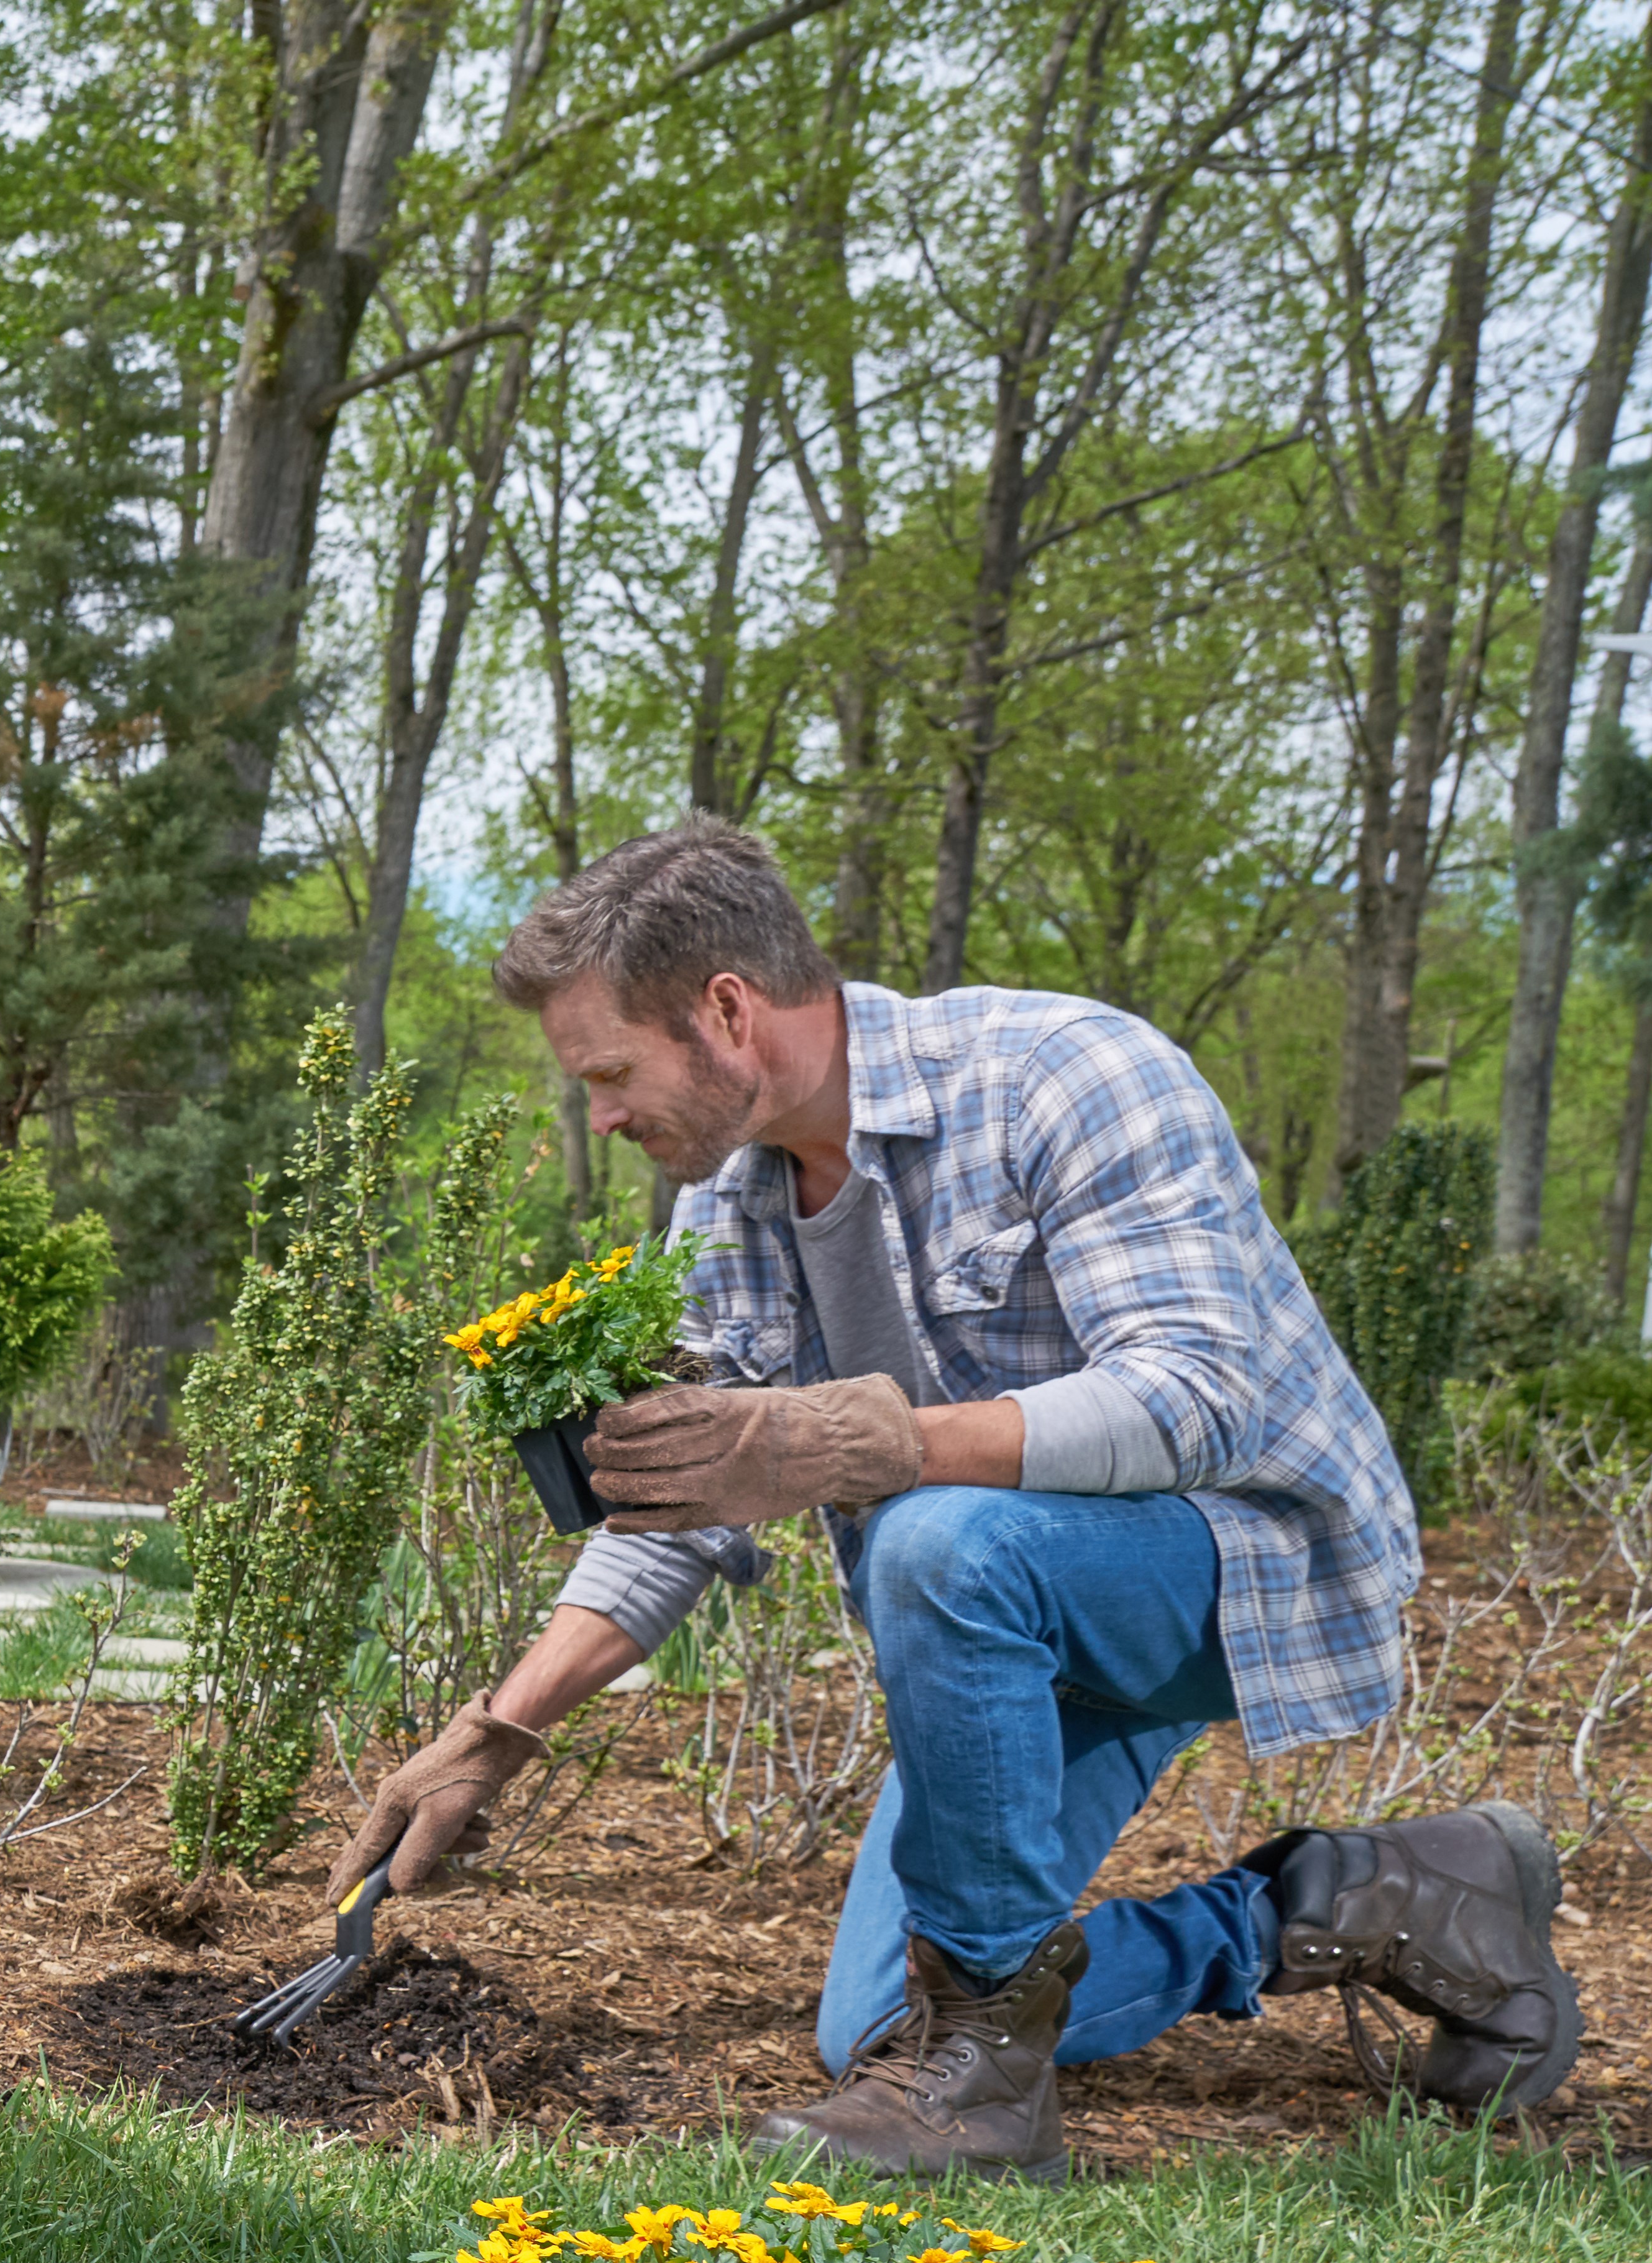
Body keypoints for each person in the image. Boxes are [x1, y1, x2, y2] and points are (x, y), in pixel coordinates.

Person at [332, 818, 1577, 2177]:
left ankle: (984, 2098)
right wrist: (495, 1733)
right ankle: (1373, 1901)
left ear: (728, 1011)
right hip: (1004, 1616)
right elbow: (686, 1511)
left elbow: (1203, 1397)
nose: (604, 1115)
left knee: (933, 1537)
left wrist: (868, 1442)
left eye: (611, 1073)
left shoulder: (1065, 1075)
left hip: (1240, 1563)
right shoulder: (732, 1208)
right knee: (880, 2024)